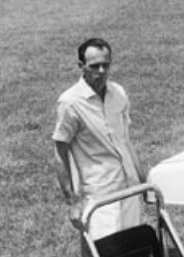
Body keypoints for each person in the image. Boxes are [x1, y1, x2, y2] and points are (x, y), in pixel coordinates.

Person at [52, 38, 145, 239]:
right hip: (100, 198)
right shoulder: (70, 103)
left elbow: (125, 140)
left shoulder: (118, 93)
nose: (101, 71)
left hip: (129, 189)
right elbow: (60, 152)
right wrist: (73, 201)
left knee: (133, 252)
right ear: (81, 66)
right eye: (95, 66)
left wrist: (143, 181)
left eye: (106, 65)